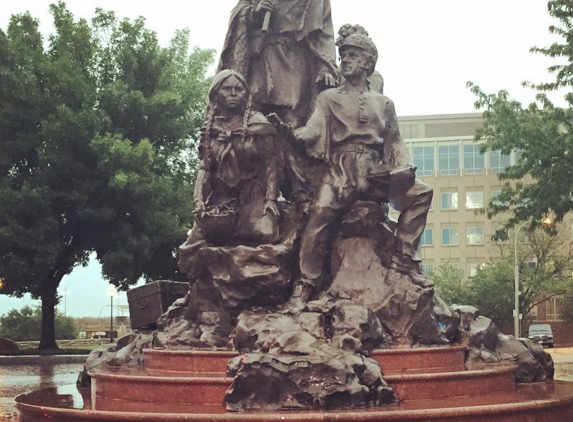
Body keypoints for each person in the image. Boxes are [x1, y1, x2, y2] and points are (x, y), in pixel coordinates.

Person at [284, 28, 434, 311]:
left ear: (367, 63)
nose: (345, 61)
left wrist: (403, 166)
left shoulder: (384, 104)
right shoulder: (327, 99)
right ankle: (305, 284)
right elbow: (313, 130)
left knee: (421, 194)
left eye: (352, 56)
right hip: (341, 170)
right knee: (319, 217)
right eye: (343, 57)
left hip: (375, 171)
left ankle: (404, 259)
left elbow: (395, 140)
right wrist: (293, 134)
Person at [218, 0, 338, 202]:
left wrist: (327, 68)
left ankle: (299, 191)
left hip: (293, 61)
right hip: (259, 61)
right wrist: (253, 13)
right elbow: (238, 12)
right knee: (250, 123)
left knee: (292, 127)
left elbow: (324, 36)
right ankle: (249, 189)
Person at [179, 69, 279, 280]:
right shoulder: (209, 129)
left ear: (245, 94)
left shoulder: (258, 123)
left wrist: (271, 200)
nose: (233, 93)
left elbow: (271, 164)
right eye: (227, 89)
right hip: (221, 197)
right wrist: (198, 201)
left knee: (265, 233)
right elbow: (205, 168)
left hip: (252, 192)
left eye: (238, 89)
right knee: (191, 249)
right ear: (217, 94)